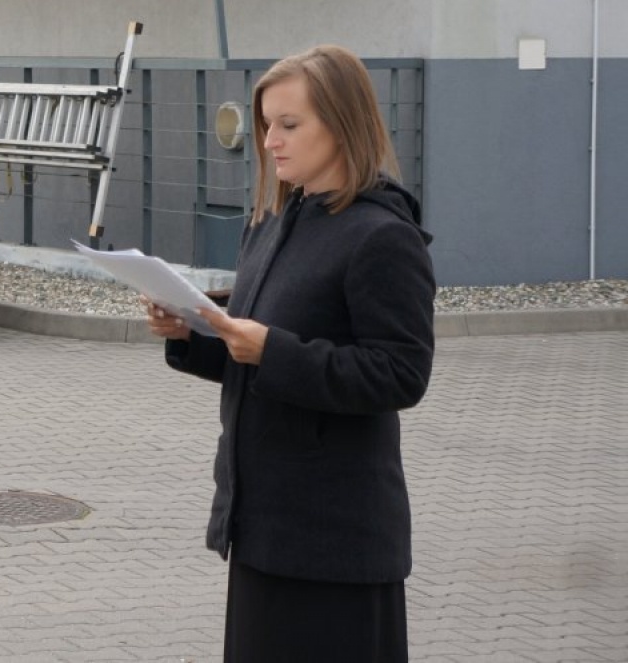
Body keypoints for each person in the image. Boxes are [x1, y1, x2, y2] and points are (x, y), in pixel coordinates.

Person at [147, 44, 435, 663]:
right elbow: (253, 349)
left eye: (289, 124)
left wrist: (274, 350)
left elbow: (401, 374)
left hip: (337, 546)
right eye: (266, 125)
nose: (270, 141)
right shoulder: (273, 222)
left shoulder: (383, 237)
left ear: (342, 122)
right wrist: (191, 337)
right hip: (265, 528)